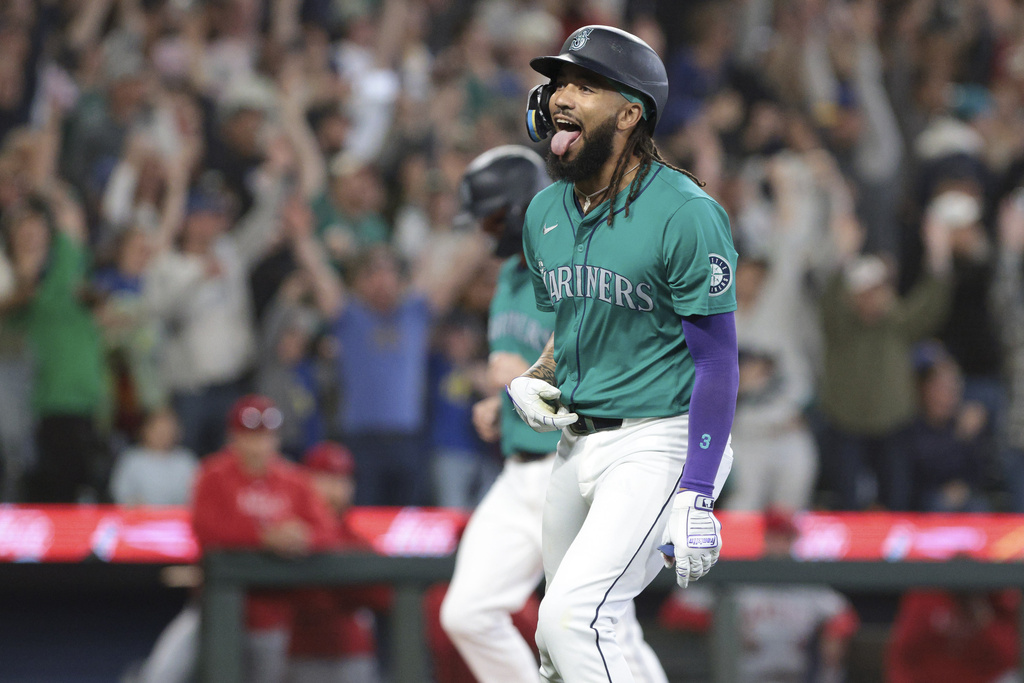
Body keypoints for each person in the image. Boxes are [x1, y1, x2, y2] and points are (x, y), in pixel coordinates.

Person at [506, 26, 739, 682]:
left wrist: (696, 490)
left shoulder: (685, 211)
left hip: (659, 439)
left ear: (630, 113)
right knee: (560, 648)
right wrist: (538, 374)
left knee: (575, 619)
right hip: (575, 443)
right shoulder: (547, 211)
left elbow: (718, 359)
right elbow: (575, 319)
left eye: (585, 85)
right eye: (559, 84)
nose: (561, 98)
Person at [439, 145, 668, 683]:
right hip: (518, 469)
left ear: (521, 207)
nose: (485, 231)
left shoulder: (584, 256)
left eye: (493, 217)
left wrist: (526, 375)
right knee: (467, 613)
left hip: (573, 463)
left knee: (601, 625)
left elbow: (609, 361)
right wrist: (504, 401)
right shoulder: (511, 278)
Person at [191, 394, 336, 683]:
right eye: (250, 436)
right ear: (233, 437)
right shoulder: (213, 474)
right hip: (217, 611)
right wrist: (263, 537)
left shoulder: (294, 480)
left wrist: (302, 536)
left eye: (265, 436)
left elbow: (328, 532)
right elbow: (205, 529)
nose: (259, 445)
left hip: (275, 615)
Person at [658, 508, 860, 683]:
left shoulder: (806, 585)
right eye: (775, 536)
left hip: (791, 676)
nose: (780, 545)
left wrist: (832, 635)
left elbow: (844, 617)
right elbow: (675, 611)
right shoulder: (740, 577)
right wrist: (724, 626)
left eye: (786, 538)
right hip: (741, 676)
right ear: (763, 537)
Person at [288, 441, 391, 683]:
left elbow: (384, 595)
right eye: (324, 478)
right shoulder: (291, 532)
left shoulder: (355, 541)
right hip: (300, 654)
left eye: (341, 480)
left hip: (351, 654)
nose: (334, 489)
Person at [886, 587, 1021, 683]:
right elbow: (902, 656)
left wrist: (979, 613)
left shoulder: (999, 595)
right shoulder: (924, 593)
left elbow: (1008, 660)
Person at [109, 407, 198, 506]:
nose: (164, 435)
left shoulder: (186, 460)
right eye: (159, 430)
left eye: (168, 431)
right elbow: (120, 493)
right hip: (140, 518)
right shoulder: (132, 459)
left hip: (179, 517)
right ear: (146, 430)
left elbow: (197, 494)